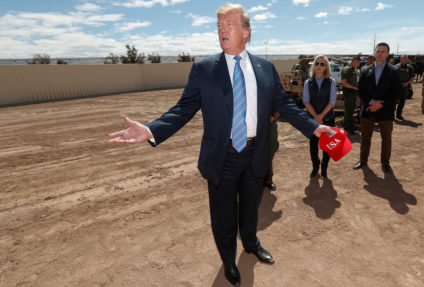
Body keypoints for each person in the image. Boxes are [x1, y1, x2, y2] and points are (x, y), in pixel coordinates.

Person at [108, 3, 332, 286]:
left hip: (255, 152)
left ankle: (250, 243)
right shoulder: (204, 68)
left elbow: (284, 104)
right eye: (219, 26)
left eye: (229, 25)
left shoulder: (265, 68)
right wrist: (151, 130)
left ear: (246, 32)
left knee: (251, 207)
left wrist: (314, 128)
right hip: (222, 156)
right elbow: (184, 108)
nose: (221, 31)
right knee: (223, 214)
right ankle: (228, 260)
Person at [353, 42, 401, 174]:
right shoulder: (365, 70)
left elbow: (396, 92)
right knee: (365, 138)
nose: (380, 54)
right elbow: (360, 90)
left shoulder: (394, 71)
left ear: (387, 54)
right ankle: (363, 161)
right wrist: (372, 102)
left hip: (385, 110)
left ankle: (385, 163)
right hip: (368, 109)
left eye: (383, 51)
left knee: (386, 139)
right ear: (374, 53)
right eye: (378, 51)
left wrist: (381, 103)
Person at [303, 55, 337, 179]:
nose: (319, 66)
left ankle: (324, 168)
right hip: (312, 120)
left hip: (327, 119)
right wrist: (316, 117)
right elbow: (306, 101)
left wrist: (321, 116)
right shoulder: (308, 82)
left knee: (327, 145)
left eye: (322, 64)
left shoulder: (331, 82)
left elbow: (332, 102)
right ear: (314, 66)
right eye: (317, 63)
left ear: (326, 67)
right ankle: (315, 166)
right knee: (313, 145)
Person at [341, 57, 361, 134]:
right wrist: (354, 87)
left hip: (352, 93)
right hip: (348, 93)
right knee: (349, 111)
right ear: (353, 61)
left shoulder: (353, 69)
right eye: (358, 63)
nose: (359, 65)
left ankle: (346, 126)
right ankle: (350, 128)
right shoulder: (347, 69)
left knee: (350, 110)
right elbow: (344, 83)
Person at [264, 110, 280, 191]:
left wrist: (273, 117)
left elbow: (281, 106)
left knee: (270, 151)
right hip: (253, 124)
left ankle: (268, 179)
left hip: (271, 123)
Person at [395, 54, 415, 120]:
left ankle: (398, 115)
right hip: (396, 87)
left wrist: (407, 83)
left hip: (405, 87)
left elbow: (412, 77)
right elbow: (392, 77)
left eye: (406, 58)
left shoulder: (410, 67)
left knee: (402, 101)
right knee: (394, 101)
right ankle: (391, 115)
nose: (404, 59)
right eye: (403, 58)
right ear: (400, 59)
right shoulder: (396, 66)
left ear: (407, 59)